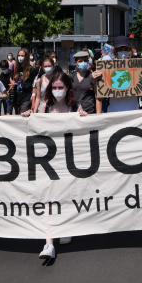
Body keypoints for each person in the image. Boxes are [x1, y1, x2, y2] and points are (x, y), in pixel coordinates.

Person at [23, 71, 86, 259]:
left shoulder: (74, 106)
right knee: (48, 197)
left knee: (66, 194)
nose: (57, 90)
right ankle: (49, 243)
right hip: (48, 160)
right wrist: (28, 116)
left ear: (67, 88)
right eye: (54, 87)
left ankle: (65, 227)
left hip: (68, 159)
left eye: (61, 87)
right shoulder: (45, 106)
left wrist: (83, 116)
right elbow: (35, 127)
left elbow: (83, 129)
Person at [96, 36, 142, 113]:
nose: (123, 52)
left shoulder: (137, 68)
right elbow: (101, 97)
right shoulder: (108, 69)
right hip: (114, 114)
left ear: (129, 50)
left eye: (125, 49)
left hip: (133, 113)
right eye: (120, 50)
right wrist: (95, 80)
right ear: (115, 51)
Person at [11, 48, 35, 114]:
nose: (20, 57)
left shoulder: (31, 69)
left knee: (23, 114)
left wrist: (32, 97)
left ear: (26, 57)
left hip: (26, 97)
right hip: (16, 96)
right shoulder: (15, 68)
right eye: (19, 55)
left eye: (22, 55)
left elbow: (34, 84)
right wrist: (12, 82)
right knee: (17, 115)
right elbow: (11, 78)